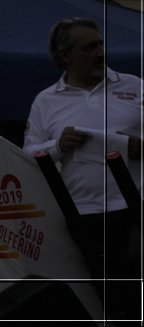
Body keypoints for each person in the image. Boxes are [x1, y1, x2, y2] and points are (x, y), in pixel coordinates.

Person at [24, 16, 143, 320]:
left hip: (138, 205)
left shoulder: (133, 86)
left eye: (101, 43)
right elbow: (27, 154)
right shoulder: (46, 101)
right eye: (90, 47)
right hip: (86, 215)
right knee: (112, 300)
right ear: (66, 55)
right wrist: (58, 146)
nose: (101, 52)